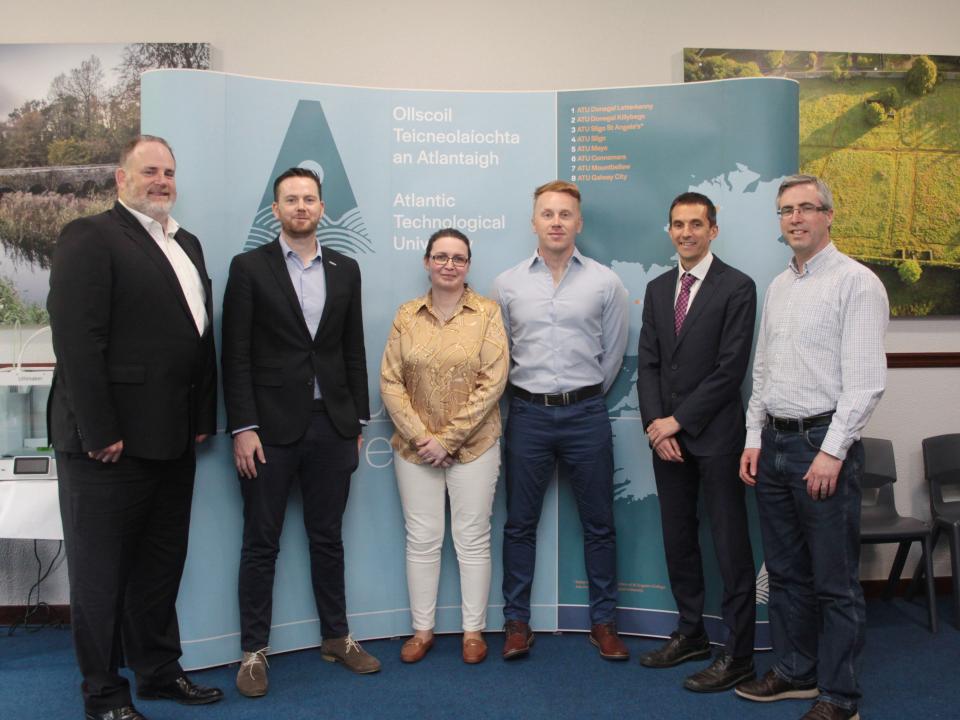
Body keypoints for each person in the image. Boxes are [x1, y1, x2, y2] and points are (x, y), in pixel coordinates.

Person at [48, 135, 222, 720]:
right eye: (149, 171)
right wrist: (99, 430)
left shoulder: (187, 244)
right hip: (108, 447)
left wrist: (202, 420)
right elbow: (77, 341)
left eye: (169, 172)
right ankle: (102, 695)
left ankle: (157, 672)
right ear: (120, 179)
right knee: (100, 578)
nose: (161, 181)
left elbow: (199, 343)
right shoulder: (91, 236)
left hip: (173, 440)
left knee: (159, 567)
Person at [221, 167, 378, 699]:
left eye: (309, 199)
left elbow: (351, 349)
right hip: (268, 431)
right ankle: (253, 651)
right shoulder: (248, 268)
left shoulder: (346, 267)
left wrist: (356, 421)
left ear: (322, 208)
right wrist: (242, 427)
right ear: (276, 210)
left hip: (331, 427)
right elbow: (234, 354)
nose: (301, 206)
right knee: (260, 543)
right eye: (291, 199)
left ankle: (337, 637)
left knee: (327, 539)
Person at [736, 175, 888, 720]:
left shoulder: (857, 283)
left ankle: (840, 696)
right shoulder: (779, 286)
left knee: (834, 581)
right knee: (786, 572)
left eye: (805, 208)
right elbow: (764, 371)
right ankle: (796, 672)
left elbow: (867, 380)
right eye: (785, 211)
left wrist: (833, 450)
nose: (794, 218)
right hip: (774, 445)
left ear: (828, 215)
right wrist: (754, 437)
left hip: (822, 449)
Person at [494, 180, 629, 661]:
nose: (556, 222)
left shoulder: (605, 282)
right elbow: (500, 355)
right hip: (528, 414)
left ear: (579, 223)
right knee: (519, 525)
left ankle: (604, 622)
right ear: (534, 222)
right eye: (547, 214)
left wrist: (580, 395)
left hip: (586, 413)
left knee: (599, 524)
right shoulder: (507, 284)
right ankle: (516, 624)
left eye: (565, 214)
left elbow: (612, 355)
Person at [636, 192, 757, 691]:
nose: (686, 232)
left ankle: (740, 654)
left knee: (730, 548)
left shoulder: (738, 287)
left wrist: (677, 421)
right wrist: (655, 426)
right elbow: (648, 364)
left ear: (713, 230)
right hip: (666, 442)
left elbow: (730, 371)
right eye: (678, 225)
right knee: (678, 541)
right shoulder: (658, 287)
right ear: (669, 231)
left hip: (717, 438)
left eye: (695, 224)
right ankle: (691, 634)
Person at [380, 228, 509, 665]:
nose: (449, 264)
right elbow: (390, 380)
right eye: (441, 256)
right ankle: (422, 631)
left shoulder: (488, 314)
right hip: (414, 449)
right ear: (427, 262)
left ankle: (473, 632)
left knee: (472, 539)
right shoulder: (406, 315)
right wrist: (423, 439)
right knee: (422, 539)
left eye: (458, 257)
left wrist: (449, 440)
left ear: (468, 264)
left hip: (474, 447)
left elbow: (493, 380)